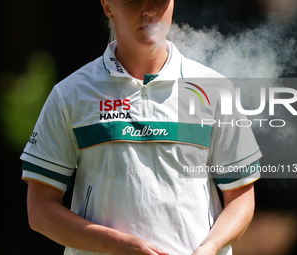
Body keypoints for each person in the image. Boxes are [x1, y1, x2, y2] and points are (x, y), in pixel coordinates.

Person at [21, 0, 262, 254]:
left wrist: (211, 247)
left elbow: (240, 197)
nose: (148, 10)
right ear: (107, 6)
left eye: (159, 0)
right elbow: (40, 210)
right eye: (134, 0)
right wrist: (115, 245)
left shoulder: (214, 89)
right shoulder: (70, 94)